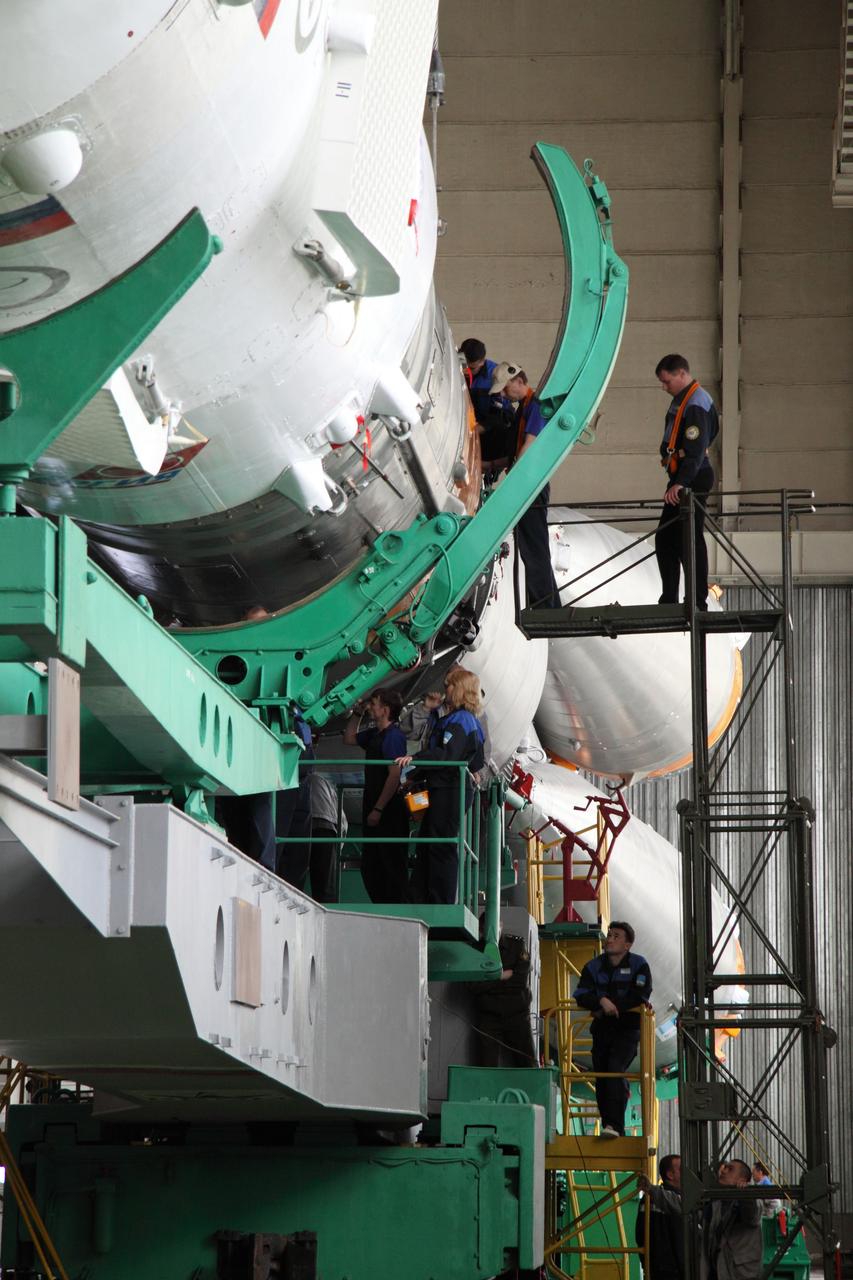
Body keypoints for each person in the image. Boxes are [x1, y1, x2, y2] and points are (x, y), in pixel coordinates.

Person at [397, 666, 485, 905]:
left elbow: (447, 755)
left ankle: (440, 901)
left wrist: (415, 761)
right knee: (429, 842)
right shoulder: (468, 721)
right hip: (446, 788)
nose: (445, 689)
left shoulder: (460, 721)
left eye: (449, 685)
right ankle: (421, 896)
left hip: (450, 789)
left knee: (440, 843)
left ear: (459, 689)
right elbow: (477, 761)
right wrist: (415, 775)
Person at [489, 362, 560, 608]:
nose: (503, 394)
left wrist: (512, 483)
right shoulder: (524, 408)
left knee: (534, 545)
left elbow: (529, 444)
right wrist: (489, 466)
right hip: (527, 482)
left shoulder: (536, 406)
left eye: (505, 389)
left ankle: (546, 606)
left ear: (519, 381)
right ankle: (545, 603)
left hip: (530, 484)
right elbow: (518, 448)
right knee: (531, 545)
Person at [573, 921, 653, 1138]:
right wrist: (601, 1001)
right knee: (602, 1074)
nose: (609, 939)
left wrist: (612, 1005)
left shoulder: (639, 965)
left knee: (615, 1069)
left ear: (627, 944)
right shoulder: (593, 966)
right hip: (602, 1029)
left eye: (616, 936)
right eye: (609, 935)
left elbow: (640, 994)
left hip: (627, 1029)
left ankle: (616, 1126)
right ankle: (609, 1124)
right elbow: (581, 995)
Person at [654, 353, 720, 611]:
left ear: (682, 374)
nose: (664, 387)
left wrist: (680, 484)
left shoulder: (695, 403)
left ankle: (696, 599)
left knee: (689, 539)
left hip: (692, 477)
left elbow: (695, 449)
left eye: (667, 381)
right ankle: (670, 596)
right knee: (668, 538)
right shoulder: (683, 400)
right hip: (682, 477)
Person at [343, 688, 410, 902]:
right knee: (371, 864)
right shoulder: (376, 734)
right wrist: (358, 713)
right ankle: (382, 904)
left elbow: (394, 774)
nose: (371, 707)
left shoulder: (393, 736)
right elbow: (349, 738)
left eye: (374, 704)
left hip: (387, 809)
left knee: (389, 862)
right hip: (373, 804)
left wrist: (379, 808)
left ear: (385, 710)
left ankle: (395, 906)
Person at [471, 917, 538, 1068]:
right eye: (485, 928)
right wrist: (501, 976)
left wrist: (487, 981)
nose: (490, 932)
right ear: (481, 930)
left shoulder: (516, 946)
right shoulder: (475, 950)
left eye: (494, 926)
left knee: (527, 1064)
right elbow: (472, 985)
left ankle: (528, 1092)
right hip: (489, 1016)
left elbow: (519, 981)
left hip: (517, 1014)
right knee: (486, 1066)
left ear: (501, 924)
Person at [702, 1159, 763, 1279]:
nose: (723, 1171)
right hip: (718, 1271)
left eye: (730, 1169)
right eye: (724, 1167)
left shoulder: (751, 1199)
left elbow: (751, 1215)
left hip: (740, 1274)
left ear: (742, 1180)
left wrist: (745, 1195)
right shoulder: (716, 1202)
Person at [636, 1155, 684, 1279]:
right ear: (670, 1175)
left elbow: (640, 1234)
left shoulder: (647, 1200)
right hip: (674, 1271)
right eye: (682, 1170)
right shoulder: (674, 1201)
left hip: (656, 1269)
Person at [305, 771, 347, 903]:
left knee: (293, 878)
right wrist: (338, 848)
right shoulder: (324, 782)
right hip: (326, 828)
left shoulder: (298, 781)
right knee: (326, 886)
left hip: (302, 826)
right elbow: (342, 821)